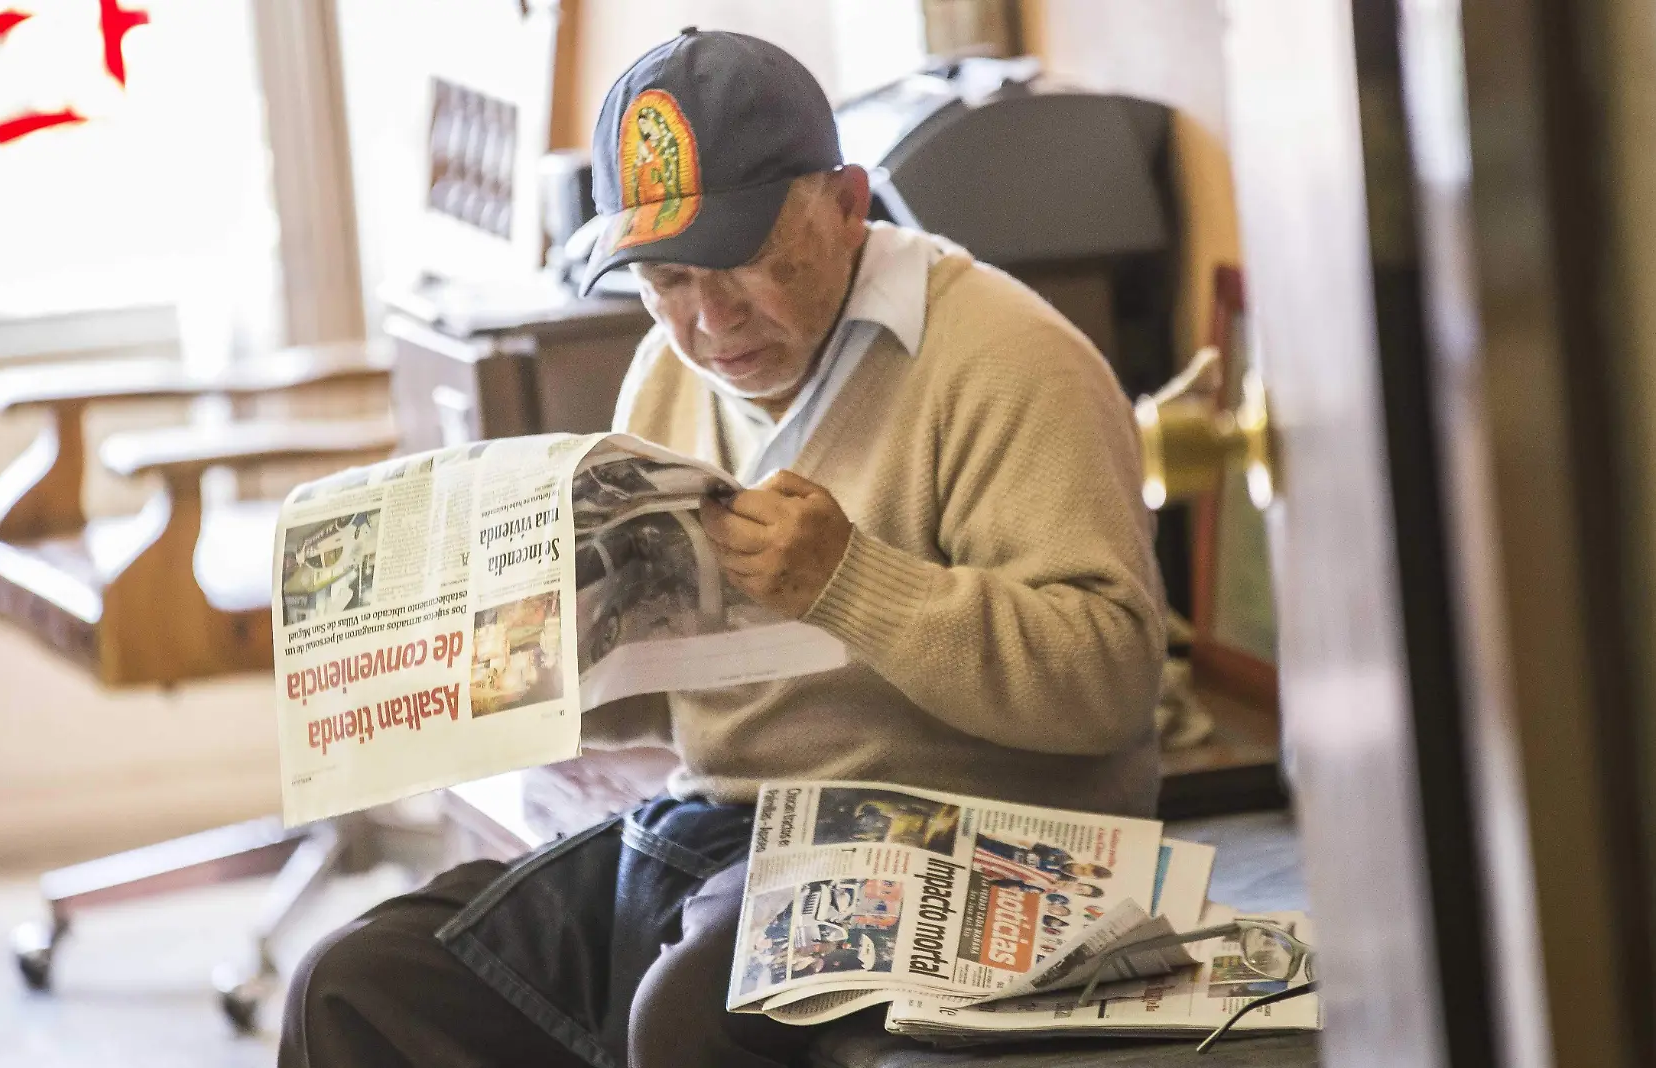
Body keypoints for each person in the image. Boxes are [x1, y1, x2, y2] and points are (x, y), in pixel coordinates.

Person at [279, 28, 1165, 1068]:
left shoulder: (1009, 360)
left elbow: (1108, 680)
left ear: (845, 203)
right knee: (357, 984)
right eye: (664, 279)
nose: (708, 324)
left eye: (747, 262)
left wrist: (850, 582)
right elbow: (687, 702)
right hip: (725, 832)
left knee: (693, 1019)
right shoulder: (666, 374)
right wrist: (543, 678)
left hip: (979, 846)